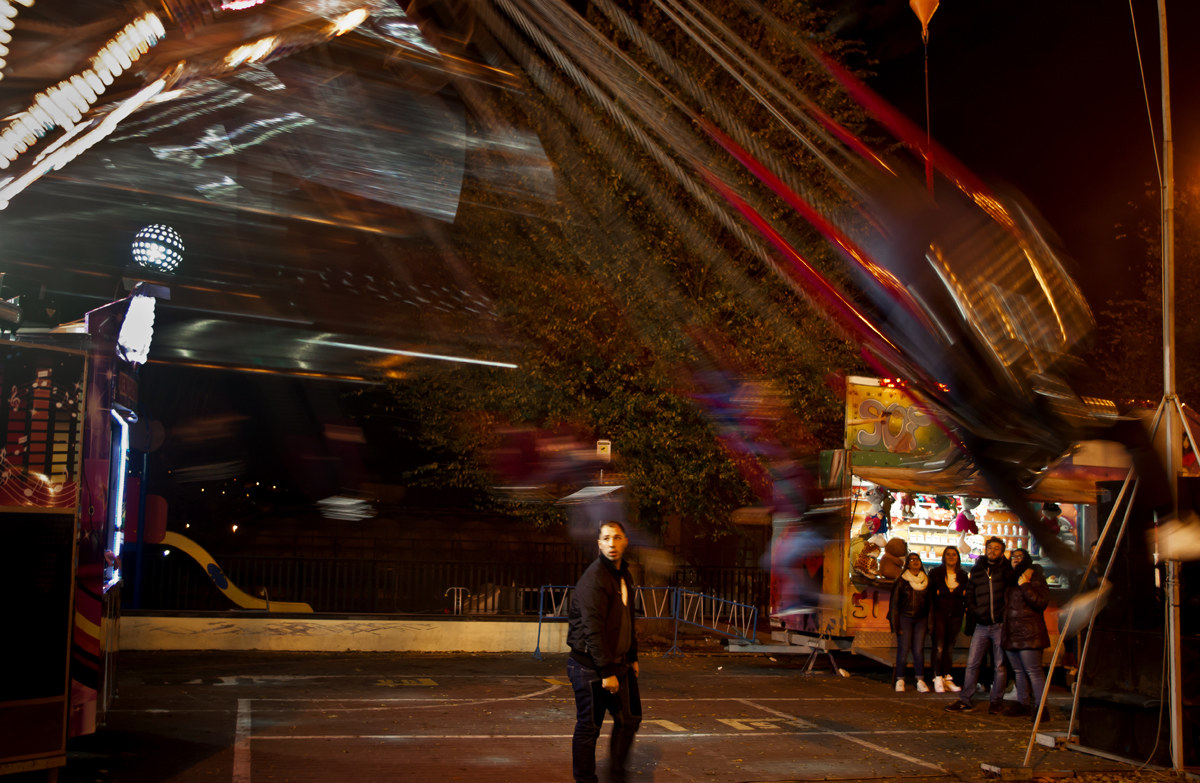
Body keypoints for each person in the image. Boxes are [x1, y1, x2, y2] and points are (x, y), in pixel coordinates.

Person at [567, 521, 642, 783]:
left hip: (617, 662)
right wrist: (607, 671)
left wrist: (632, 656)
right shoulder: (595, 578)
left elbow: (627, 619)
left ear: (625, 541)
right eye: (607, 538)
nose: (612, 543)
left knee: (630, 718)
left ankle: (617, 776)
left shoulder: (623, 575)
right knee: (589, 727)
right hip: (589, 666)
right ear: (599, 544)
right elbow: (593, 628)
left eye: (617, 537)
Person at [945, 537, 1012, 712]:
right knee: (973, 663)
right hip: (981, 625)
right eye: (990, 548)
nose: (992, 551)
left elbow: (1011, 593)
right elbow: (970, 592)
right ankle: (965, 699)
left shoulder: (1006, 570)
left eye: (996, 548)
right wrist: (974, 610)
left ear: (1002, 552)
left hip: (999, 625)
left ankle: (996, 701)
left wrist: (1004, 613)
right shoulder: (977, 569)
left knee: (1000, 665)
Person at [1001, 548, 1050, 717]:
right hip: (1012, 632)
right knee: (1019, 671)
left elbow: (1040, 602)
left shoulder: (1034, 576)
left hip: (1030, 632)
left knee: (1034, 671)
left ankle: (1041, 708)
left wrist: (1025, 585)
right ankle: (1023, 703)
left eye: (1020, 556)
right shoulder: (1009, 578)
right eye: (1013, 557)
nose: (1016, 559)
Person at [888, 551, 931, 692]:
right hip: (905, 618)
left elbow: (930, 604)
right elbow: (894, 604)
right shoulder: (902, 581)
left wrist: (930, 623)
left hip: (921, 619)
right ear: (907, 564)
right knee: (904, 648)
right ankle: (900, 679)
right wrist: (895, 625)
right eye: (911, 559)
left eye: (917, 559)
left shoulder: (926, 581)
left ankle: (920, 680)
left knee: (918, 649)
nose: (915, 561)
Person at [927, 545, 968, 693]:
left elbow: (965, 594)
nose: (951, 557)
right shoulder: (935, 573)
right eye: (948, 554)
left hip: (956, 613)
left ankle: (947, 676)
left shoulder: (963, 575)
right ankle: (937, 676)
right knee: (939, 646)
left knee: (949, 647)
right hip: (939, 613)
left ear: (958, 557)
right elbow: (931, 593)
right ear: (944, 557)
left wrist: (945, 593)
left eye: (954, 554)